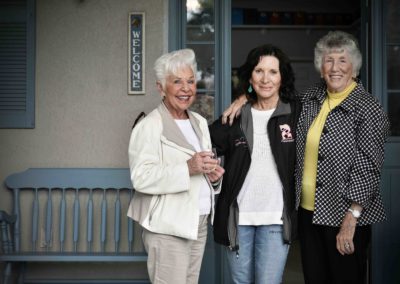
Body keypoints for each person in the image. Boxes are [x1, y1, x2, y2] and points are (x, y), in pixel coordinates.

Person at [222, 31, 390, 284]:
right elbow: (271, 94)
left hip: (345, 215)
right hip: (309, 213)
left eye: (342, 61)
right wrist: (245, 96)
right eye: (328, 61)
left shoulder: (367, 107)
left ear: (354, 68)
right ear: (320, 68)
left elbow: (369, 167)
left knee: (345, 278)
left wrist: (351, 219)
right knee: (314, 278)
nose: (335, 68)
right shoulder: (311, 99)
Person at [127, 48, 224, 284]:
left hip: (197, 222)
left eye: (190, 81)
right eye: (177, 81)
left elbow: (201, 168)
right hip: (168, 227)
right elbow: (141, 177)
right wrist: (188, 168)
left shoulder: (199, 122)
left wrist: (213, 177)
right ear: (161, 87)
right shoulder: (150, 125)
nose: (186, 88)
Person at [209, 44, 301, 284]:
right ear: (250, 75)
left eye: (273, 72)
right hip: (239, 219)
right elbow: (202, 141)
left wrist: (244, 96)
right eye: (259, 71)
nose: (266, 79)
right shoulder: (235, 117)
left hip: (276, 219)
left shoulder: (296, 112)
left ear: (283, 77)